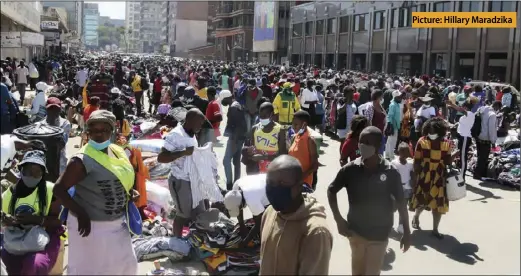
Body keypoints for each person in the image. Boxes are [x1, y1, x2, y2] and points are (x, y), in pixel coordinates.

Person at [53, 110, 139, 275]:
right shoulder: (81, 160)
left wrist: (129, 192)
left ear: (111, 131)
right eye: (94, 130)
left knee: (126, 266)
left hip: (117, 223)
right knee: (90, 269)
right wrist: (81, 213)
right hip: (91, 227)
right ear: (88, 132)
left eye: (104, 130)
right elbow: (59, 189)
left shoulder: (117, 151)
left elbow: (120, 176)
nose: (99, 134)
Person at [328, 126, 411, 276]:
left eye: (367, 142)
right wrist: (338, 220)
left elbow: (401, 202)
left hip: (380, 234)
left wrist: (407, 231)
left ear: (379, 146)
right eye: (360, 141)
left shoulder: (390, 172)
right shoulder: (350, 169)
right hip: (356, 232)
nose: (362, 145)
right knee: (357, 272)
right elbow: (331, 190)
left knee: (372, 272)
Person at [260, 155, 332, 275]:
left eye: (282, 183)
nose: (275, 188)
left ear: (299, 186)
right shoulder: (270, 212)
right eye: (270, 182)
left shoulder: (315, 232)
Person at [1, 150, 63, 275]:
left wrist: (36, 220)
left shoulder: (51, 190)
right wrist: (8, 221)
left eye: (37, 172)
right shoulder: (10, 193)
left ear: (43, 174)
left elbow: (58, 222)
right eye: (28, 171)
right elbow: (5, 222)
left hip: (45, 238)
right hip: (17, 238)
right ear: (21, 170)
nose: (31, 175)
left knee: (34, 264)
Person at [158, 108, 206, 237]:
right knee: (183, 214)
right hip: (180, 180)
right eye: (199, 123)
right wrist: (183, 152)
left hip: (194, 180)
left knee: (200, 212)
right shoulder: (176, 135)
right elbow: (161, 157)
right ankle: (177, 242)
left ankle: (199, 241)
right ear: (190, 121)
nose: (201, 127)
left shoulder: (192, 132)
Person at [410, 117, 455, 239]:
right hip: (424, 175)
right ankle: (416, 217)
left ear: (440, 132)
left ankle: (435, 229)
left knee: (437, 205)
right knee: (422, 201)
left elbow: (447, 161)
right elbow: (417, 161)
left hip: (439, 177)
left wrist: (454, 154)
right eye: (429, 132)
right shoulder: (421, 141)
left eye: (434, 132)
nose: (431, 134)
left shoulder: (447, 143)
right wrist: (415, 178)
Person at [223, 174, 270, 247]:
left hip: (276, 188)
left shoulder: (252, 200)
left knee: (265, 223)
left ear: (241, 205)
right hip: (263, 182)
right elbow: (239, 207)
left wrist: (245, 242)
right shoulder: (236, 187)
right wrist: (242, 226)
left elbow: (259, 223)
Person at [246, 102, 287, 174]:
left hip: (274, 172)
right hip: (257, 172)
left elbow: (282, 154)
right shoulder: (255, 129)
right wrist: (249, 152)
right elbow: (252, 150)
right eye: (260, 116)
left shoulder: (280, 130)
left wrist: (263, 157)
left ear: (272, 114)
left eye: (265, 116)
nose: (262, 118)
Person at [222, 90, 247, 189]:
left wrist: (234, 141)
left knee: (226, 160)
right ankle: (237, 183)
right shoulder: (236, 104)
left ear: (227, 98)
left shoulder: (233, 107)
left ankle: (229, 184)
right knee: (236, 162)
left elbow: (236, 125)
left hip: (235, 138)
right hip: (240, 137)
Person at [288, 110, 319, 190]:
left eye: (296, 124)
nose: (293, 126)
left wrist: (301, 177)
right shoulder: (295, 137)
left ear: (304, 125)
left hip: (303, 184)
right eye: (292, 123)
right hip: (291, 181)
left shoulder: (310, 140)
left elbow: (315, 165)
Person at [42, 97, 71, 174]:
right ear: (46, 109)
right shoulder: (40, 124)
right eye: (51, 109)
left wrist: (52, 126)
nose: (53, 112)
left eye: (56, 110)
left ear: (60, 110)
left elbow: (62, 144)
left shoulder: (65, 124)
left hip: (59, 161)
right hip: (44, 161)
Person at [448, 100, 475, 179]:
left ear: (465, 107)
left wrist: (452, 104)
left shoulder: (470, 114)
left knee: (463, 157)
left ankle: (462, 177)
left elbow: (461, 110)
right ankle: (461, 174)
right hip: (461, 137)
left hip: (465, 138)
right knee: (460, 155)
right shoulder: (464, 117)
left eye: (463, 107)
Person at [391, 142, 415, 234]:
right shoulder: (394, 163)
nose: (404, 154)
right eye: (402, 152)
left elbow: (412, 176)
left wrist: (413, 187)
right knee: (392, 208)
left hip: (406, 189)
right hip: (396, 189)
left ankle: (401, 225)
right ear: (398, 152)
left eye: (406, 152)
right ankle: (389, 223)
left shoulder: (410, 163)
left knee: (403, 208)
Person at [474, 101, 498, 180]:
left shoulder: (481, 109)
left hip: (478, 136)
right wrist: (493, 142)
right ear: (497, 106)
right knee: (483, 157)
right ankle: (478, 174)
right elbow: (492, 129)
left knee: (479, 155)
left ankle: (479, 172)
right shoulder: (492, 114)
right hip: (485, 138)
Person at [385, 90, 403, 159]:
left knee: (390, 140)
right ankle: (391, 156)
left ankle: (387, 154)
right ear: (395, 97)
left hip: (396, 125)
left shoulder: (397, 104)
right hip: (393, 126)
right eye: (399, 97)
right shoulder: (393, 105)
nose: (400, 98)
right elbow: (390, 116)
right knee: (392, 140)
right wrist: (390, 126)